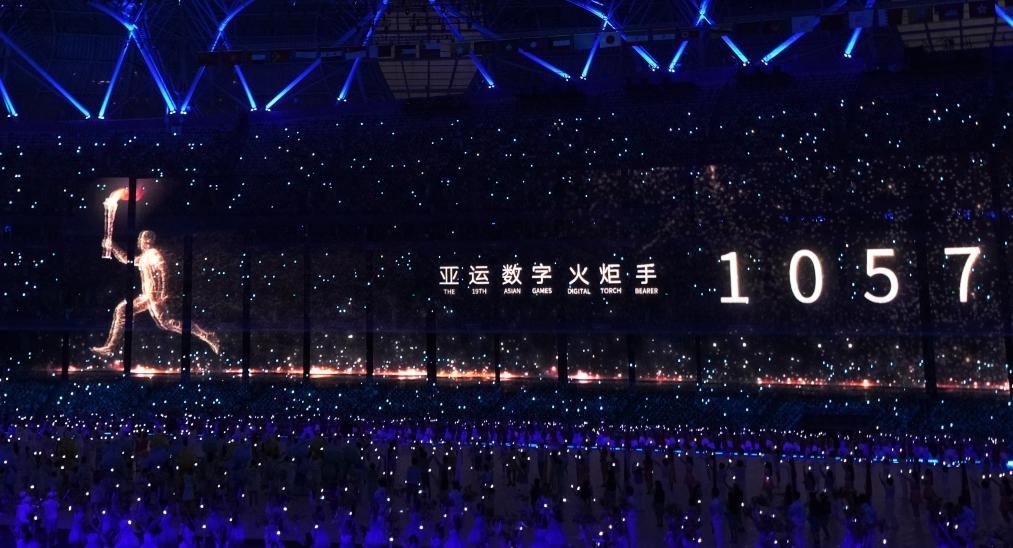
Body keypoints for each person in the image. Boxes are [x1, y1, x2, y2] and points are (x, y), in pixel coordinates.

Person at [92, 230, 219, 356]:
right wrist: (113, 246)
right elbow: (126, 259)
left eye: (141, 239)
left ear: (146, 241)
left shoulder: (153, 254)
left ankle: (206, 335)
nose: (139, 242)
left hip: (154, 296)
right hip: (149, 296)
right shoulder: (145, 257)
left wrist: (164, 291)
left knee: (166, 323)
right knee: (124, 311)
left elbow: (164, 270)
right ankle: (110, 347)